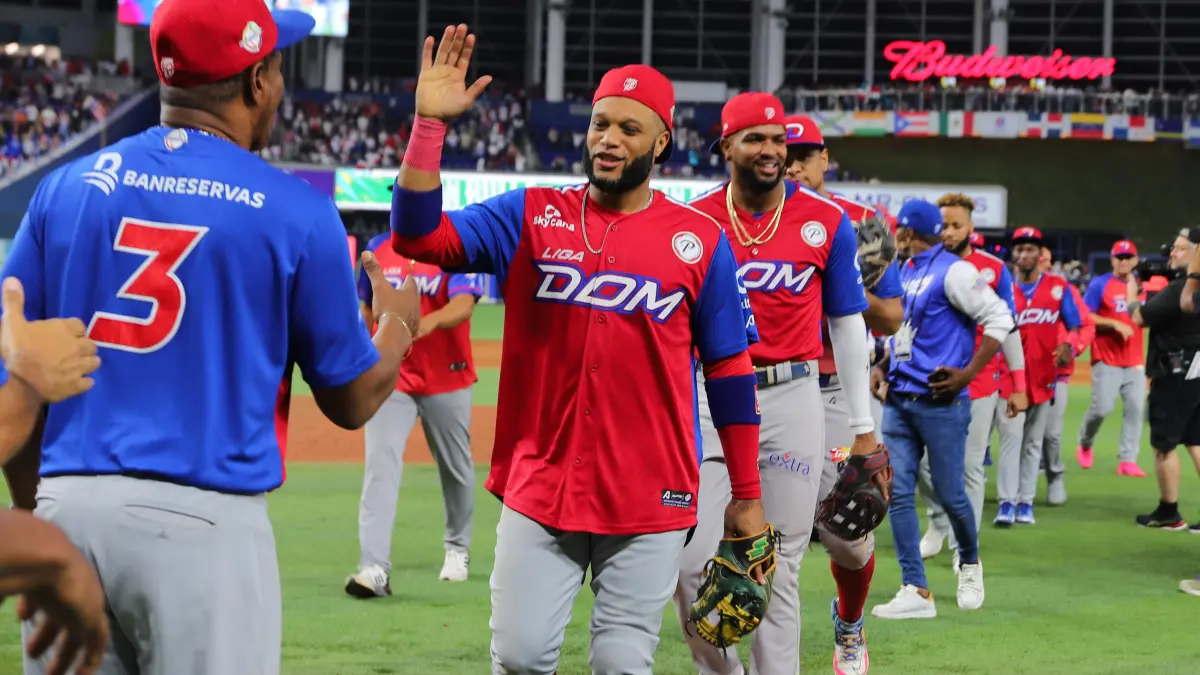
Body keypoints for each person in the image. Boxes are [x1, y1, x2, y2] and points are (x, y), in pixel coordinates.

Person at [2, 0, 423, 672]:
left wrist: (42, 517)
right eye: (277, 68)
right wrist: (399, 322)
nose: (281, 86)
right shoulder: (296, 210)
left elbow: (13, 383)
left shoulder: (63, 189)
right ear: (257, 81)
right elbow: (349, 399)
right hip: (203, 523)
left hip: (65, 507)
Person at [389, 26, 769, 674]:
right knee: (518, 655)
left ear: (661, 141)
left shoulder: (698, 240)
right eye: (599, 124)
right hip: (543, 483)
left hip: (651, 493)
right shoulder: (532, 214)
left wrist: (746, 493)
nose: (609, 139)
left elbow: (730, 370)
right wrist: (428, 126)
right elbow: (419, 236)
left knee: (623, 662)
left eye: (627, 127)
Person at [672, 105, 885, 675]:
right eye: (754, 138)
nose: (770, 149)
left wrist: (863, 428)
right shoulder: (693, 221)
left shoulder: (827, 221)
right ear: (726, 145)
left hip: (794, 392)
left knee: (782, 560)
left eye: (777, 139)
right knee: (689, 562)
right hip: (709, 394)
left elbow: (846, 324)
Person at [780, 113, 902, 675]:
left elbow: (891, 319)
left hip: (834, 392)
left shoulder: (862, 224)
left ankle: (849, 624)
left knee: (849, 533)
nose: (795, 166)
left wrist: (841, 284)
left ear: (825, 159)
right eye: (787, 154)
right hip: (764, 387)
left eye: (806, 155)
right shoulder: (746, 217)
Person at [869, 200, 1014, 619]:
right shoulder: (907, 270)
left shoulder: (955, 270)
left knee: (952, 495)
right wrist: (882, 365)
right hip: (899, 400)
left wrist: (968, 373)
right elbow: (905, 331)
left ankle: (969, 563)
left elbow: (1001, 318)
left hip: (940, 403)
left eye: (899, 230)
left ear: (909, 233)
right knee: (897, 494)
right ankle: (915, 588)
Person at [345, 235, 484, 597]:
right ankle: (373, 567)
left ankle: (457, 548)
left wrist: (423, 323)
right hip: (393, 377)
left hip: (447, 377)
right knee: (381, 465)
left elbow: (464, 304)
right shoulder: (378, 247)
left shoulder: (454, 248)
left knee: (455, 467)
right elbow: (366, 305)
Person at [918, 194, 1027, 569]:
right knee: (923, 465)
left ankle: (966, 548)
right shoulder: (922, 266)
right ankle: (937, 521)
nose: (948, 232)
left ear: (970, 229)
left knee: (970, 467)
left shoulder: (994, 270)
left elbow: (1008, 326)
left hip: (979, 381)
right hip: (929, 381)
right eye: (943, 225)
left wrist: (1019, 384)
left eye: (956, 225)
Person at [997, 227, 1082, 524]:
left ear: (1040, 253)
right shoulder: (1003, 286)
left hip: (1044, 377)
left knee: (1033, 443)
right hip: (1008, 377)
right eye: (1019, 249)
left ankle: (1026, 502)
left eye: (1030, 249)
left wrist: (1069, 346)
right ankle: (1006, 502)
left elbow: (1075, 326)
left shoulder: (1058, 287)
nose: (1023, 254)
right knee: (1010, 439)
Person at [1129, 230, 1200, 530]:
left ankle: (1169, 511)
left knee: (1164, 444)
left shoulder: (1179, 289)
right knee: (1196, 441)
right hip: (1196, 371)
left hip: (1174, 372)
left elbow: (1139, 318)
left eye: (1181, 249)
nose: (1172, 253)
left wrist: (1132, 293)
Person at [1077, 240, 1147, 477]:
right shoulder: (1100, 284)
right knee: (1102, 408)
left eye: (1129, 257)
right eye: (1120, 257)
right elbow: (1086, 316)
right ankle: (1085, 442)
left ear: (1136, 260)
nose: (1124, 261)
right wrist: (1115, 323)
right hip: (1106, 358)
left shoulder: (1142, 287)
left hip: (1135, 359)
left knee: (1136, 409)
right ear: (1112, 259)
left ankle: (1128, 459)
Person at [1041, 246, 1095, 506]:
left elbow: (1086, 325)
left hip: (1055, 373)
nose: (1041, 262)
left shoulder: (1064, 290)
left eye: (1046, 259)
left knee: (1051, 433)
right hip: (1014, 375)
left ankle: (1054, 477)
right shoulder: (1012, 288)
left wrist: (1073, 347)